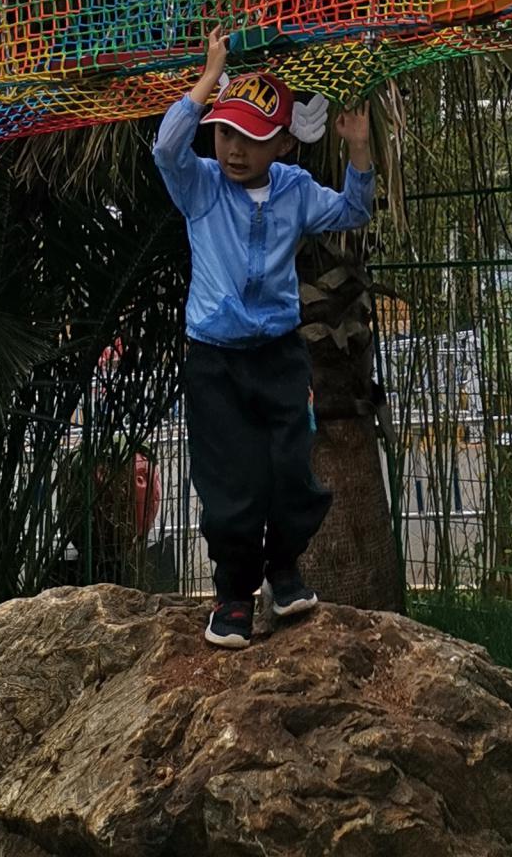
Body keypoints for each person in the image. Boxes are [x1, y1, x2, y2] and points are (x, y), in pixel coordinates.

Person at [154, 34, 374, 647]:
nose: (234, 149)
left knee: (291, 472)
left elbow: (354, 211)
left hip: (280, 357)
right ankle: (233, 598)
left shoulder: (295, 190)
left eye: (251, 137)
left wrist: (358, 149)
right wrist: (209, 78)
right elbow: (167, 146)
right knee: (232, 483)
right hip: (215, 363)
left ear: (282, 143)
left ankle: (283, 572)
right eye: (226, 132)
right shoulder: (200, 186)